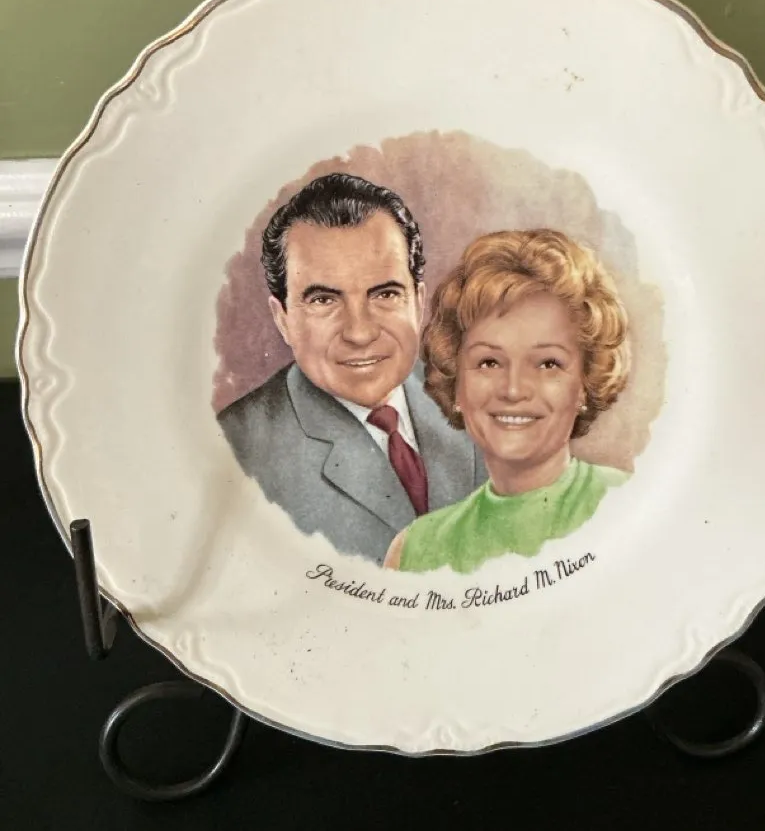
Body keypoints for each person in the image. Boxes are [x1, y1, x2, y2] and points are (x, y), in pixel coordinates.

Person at [217, 173, 484, 564]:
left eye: (385, 294)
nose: (360, 332)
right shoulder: (233, 452)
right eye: (324, 300)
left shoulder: (482, 402)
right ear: (282, 318)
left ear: (417, 302)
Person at [384, 228, 631, 574]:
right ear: (457, 383)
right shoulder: (414, 551)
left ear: (585, 384)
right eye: (489, 362)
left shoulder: (629, 505)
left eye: (547, 364)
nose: (514, 390)